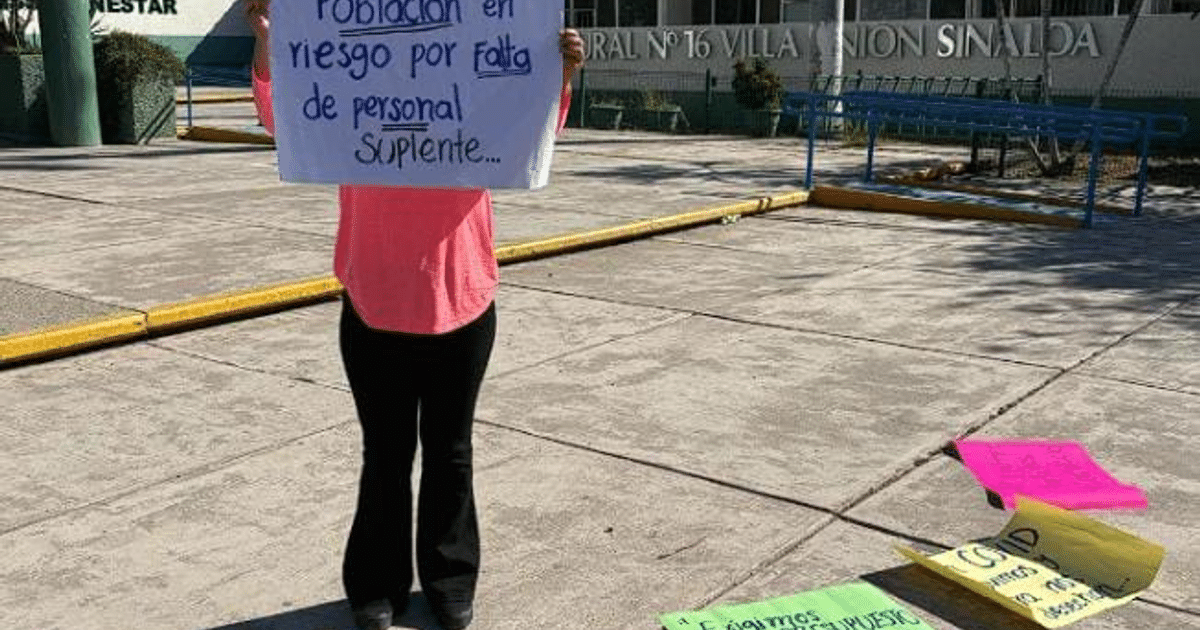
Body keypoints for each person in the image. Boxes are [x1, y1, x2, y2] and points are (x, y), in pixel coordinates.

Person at [243, 2, 585, 629]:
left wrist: (556, 72)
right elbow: (280, 117)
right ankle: (375, 586)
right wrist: (271, 43)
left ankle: (451, 579)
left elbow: (532, 131)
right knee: (386, 455)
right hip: (374, 297)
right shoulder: (354, 78)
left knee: (451, 453)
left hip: (465, 295)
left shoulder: (475, 69)